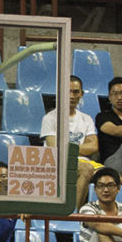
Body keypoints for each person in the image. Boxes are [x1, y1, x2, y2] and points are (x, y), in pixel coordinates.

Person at [40, 75, 100, 210]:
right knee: (86, 169)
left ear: (81, 94)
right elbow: (55, 148)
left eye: (76, 92)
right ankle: (72, 214)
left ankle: (92, 214)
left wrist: (68, 148)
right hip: (56, 162)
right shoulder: (50, 118)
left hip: (82, 161)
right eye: (68, 91)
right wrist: (81, 148)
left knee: (114, 178)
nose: (72, 96)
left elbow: (94, 147)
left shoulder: (86, 119)